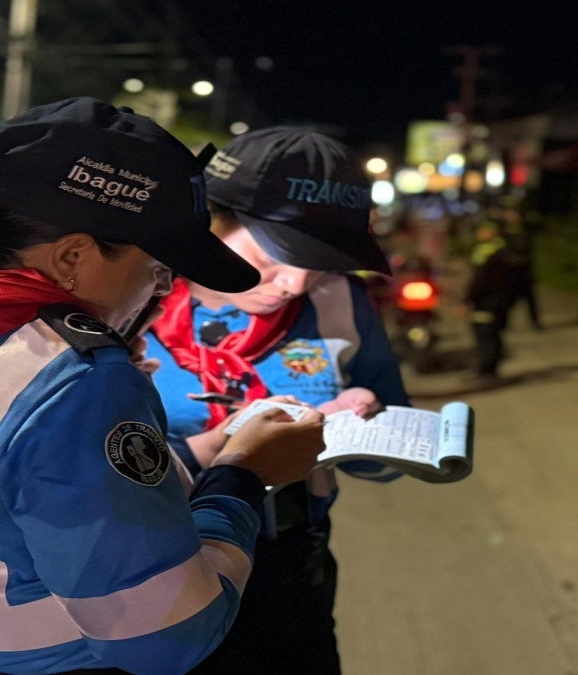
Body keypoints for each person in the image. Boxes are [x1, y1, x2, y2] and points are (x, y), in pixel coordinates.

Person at [0, 97, 328, 675]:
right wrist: (243, 476)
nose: (161, 293)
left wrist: (191, 445)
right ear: (75, 256)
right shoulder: (73, 382)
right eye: (156, 271)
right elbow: (167, 636)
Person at [143, 128, 411, 674]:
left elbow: (383, 461)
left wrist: (362, 425)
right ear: (210, 221)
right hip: (151, 569)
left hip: (289, 569)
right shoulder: (130, 299)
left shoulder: (341, 303)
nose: (295, 282)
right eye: (279, 254)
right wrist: (225, 446)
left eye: (321, 260)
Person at [465, 218, 517, 382]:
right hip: (501, 301)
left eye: (482, 230)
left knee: (485, 336)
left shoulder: (486, 253)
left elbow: (480, 280)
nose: (478, 234)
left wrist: (468, 299)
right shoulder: (505, 249)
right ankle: (489, 370)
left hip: (487, 302)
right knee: (493, 335)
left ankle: (487, 372)